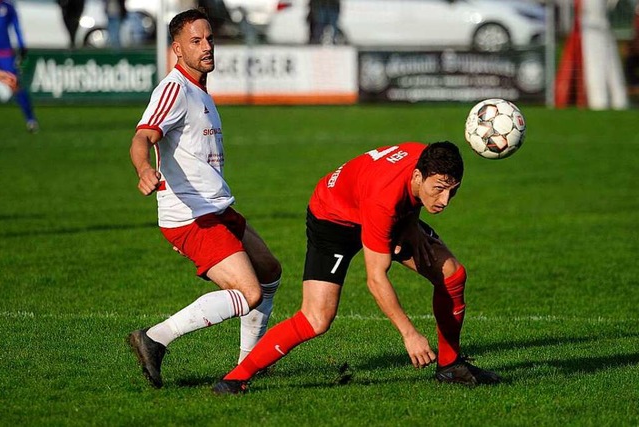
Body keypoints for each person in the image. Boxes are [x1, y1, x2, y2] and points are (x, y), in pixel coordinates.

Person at [213, 141, 502, 394]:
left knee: (452, 274)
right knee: (316, 318)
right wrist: (409, 334)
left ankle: (450, 366)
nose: (444, 201)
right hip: (333, 219)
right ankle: (235, 379)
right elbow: (376, 278)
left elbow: (404, 191)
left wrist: (411, 222)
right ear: (418, 175)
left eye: (453, 191)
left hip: (376, 209)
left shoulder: (425, 159)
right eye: (438, 190)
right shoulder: (384, 200)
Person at [127, 8, 281, 389]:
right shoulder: (174, 89)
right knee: (248, 293)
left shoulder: (199, 89)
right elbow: (143, 136)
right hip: (189, 215)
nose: (207, 46)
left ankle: (248, 364)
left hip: (215, 207)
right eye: (196, 41)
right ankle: (155, 337)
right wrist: (144, 169)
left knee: (270, 272)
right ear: (177, 49)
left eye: (209, 38)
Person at [0, 0, 38, 132]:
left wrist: (22, 46)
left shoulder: (7, 7)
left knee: (15, 85)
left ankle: (30, 119)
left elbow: (16, 27)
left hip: (4, 54)